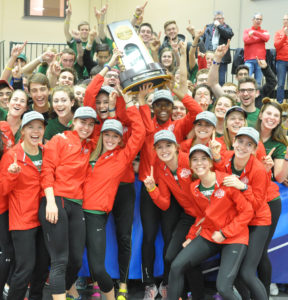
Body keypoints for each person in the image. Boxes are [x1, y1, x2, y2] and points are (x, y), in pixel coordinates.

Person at [168, 144, 253, 300]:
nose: (199, 163)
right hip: (211, 234)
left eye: (203, 159)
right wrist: (191, 236)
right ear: (190, 165)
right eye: (194, 160)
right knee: (176, 266)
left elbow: (247, 212)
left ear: (211, 162)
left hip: (234, 236)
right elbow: (201, 216)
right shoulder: (194, 188)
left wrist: (225, 232)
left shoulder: (227, 181)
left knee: (224, 288)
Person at [82, 93, 146, 300]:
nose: (110, 139)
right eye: (107, 135)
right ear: (101, 135)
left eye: (115, 136)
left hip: (123, 190)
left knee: (124, 236)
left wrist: (127, 102)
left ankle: (123, 284)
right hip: (92, 204)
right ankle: (92, 281)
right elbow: (88, 101)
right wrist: (107, 68)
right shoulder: (92, 148)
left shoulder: (122, 155)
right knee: (89, 244)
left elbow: (139, 133)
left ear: (120, 139)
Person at [39, 106, 97, 300]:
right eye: (83, 122)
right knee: (59, 261)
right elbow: (47, 170)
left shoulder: (89, 146)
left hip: (76, 204)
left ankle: (63, 292)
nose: (86, 127)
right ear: (74, 121)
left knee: (76, 260)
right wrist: (50, 202)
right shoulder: (59, 139)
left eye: (90, 124)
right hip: (56, 200)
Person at [144, 130, 206, 300]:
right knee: (170, 257)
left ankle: (197, 296)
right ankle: (183, 295)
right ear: (155, 150)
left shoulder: (189, 159)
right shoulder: (161, 167)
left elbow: (209, 182)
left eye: (168, 145)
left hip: (206, 216)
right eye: (160, 147)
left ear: (177, 147)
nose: (164, 150)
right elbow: (164, 203)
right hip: (188, 216)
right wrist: (151, 188)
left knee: (191, 259)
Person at [213, 127, 271, 300]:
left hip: (258, 221)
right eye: (240, 141)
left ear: (254, 149)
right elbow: (218, 171)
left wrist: (243, 187)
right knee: (235, 272)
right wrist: (215, 157)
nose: (243, 147)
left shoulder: (259, 169)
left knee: (247, 273)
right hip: (237, 220)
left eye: (249, 144)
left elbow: (257, 203)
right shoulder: (226, 157)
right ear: (234, 142)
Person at [1, 111, 49, 300]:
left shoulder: (47, 152)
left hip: (45, 219)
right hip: (22, 221)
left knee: (41, 268)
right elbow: (2, 190)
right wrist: (12, 174)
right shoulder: (12, 156)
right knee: (25, 268)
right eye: (30, 127)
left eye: (39, 127)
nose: (35, 131)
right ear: (23, 130)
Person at [256, 98, 288, 298]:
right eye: (269, 114)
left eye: (276, 115)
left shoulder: (281, 143)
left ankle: (263, 292)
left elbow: (281, 177)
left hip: (267, 203)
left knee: (261, 250)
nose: (272, 118)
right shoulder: (247, 134)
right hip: (244, 200)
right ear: (261, 115)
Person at [0, 122, 15, 298]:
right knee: (7, 250)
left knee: (9, 250)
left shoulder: (4, 127)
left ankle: (9, 284)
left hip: (7, 204)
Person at [202, 11, 234, 86]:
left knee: (221, 80)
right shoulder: (208, 27)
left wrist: (219, 26)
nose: (218, 20)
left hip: (222, 58)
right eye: (216, 19)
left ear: (223, 19)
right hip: (209, 57)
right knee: (207, 77)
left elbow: (229, 35)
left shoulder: (227, 28)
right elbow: (202, 38)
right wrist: (195, 36)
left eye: (220, 18)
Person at [243, 13, 270, 86]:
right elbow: (246, 40)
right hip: (249, 59)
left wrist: (254, 33)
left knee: (258, 82)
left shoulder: (264, 31)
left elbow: (266, 38)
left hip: (260, 60)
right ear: (253, 20)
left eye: (260, 19)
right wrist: (260, 38)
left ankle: (257, 97)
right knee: (246, 81)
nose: (259, 21)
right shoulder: (247, 30)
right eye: (257, 19)